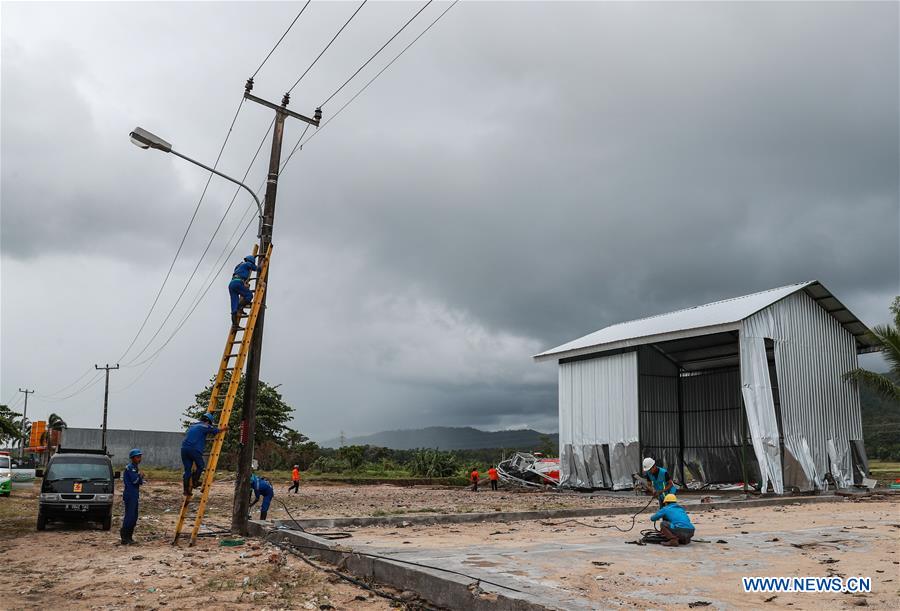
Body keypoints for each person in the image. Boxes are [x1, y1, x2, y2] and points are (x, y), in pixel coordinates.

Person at [181, 413, 227, 496]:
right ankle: (195, 482)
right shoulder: (205, 426)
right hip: (194, 449)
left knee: (187, 470)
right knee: (201, 466)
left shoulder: (193, 425)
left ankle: (185, 490)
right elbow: (216, 431)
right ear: (207, 421)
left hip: (184, 449)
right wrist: (224, 429)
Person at [121, 448, 144, 545]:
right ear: (132, 458)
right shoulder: (130, 468)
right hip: (130, 494)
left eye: (140, 457)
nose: (139, 459)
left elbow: (140, 482)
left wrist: (140, 478)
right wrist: (140, 476)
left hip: (134, 494)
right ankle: (125, 538)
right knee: (130, 516)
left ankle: (129, 537)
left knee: (134, 516)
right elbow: (135, 481)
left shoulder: (135, 468)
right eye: (137, 457)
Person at [229, 254, 258, 329]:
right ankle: (240, 306)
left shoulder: (239, 266)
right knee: (249, 295)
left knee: (234, 305)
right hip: (238, 283)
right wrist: (261, 265)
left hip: (232, 284)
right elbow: (256, 268)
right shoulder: (247, 264)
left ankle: (235, 325)